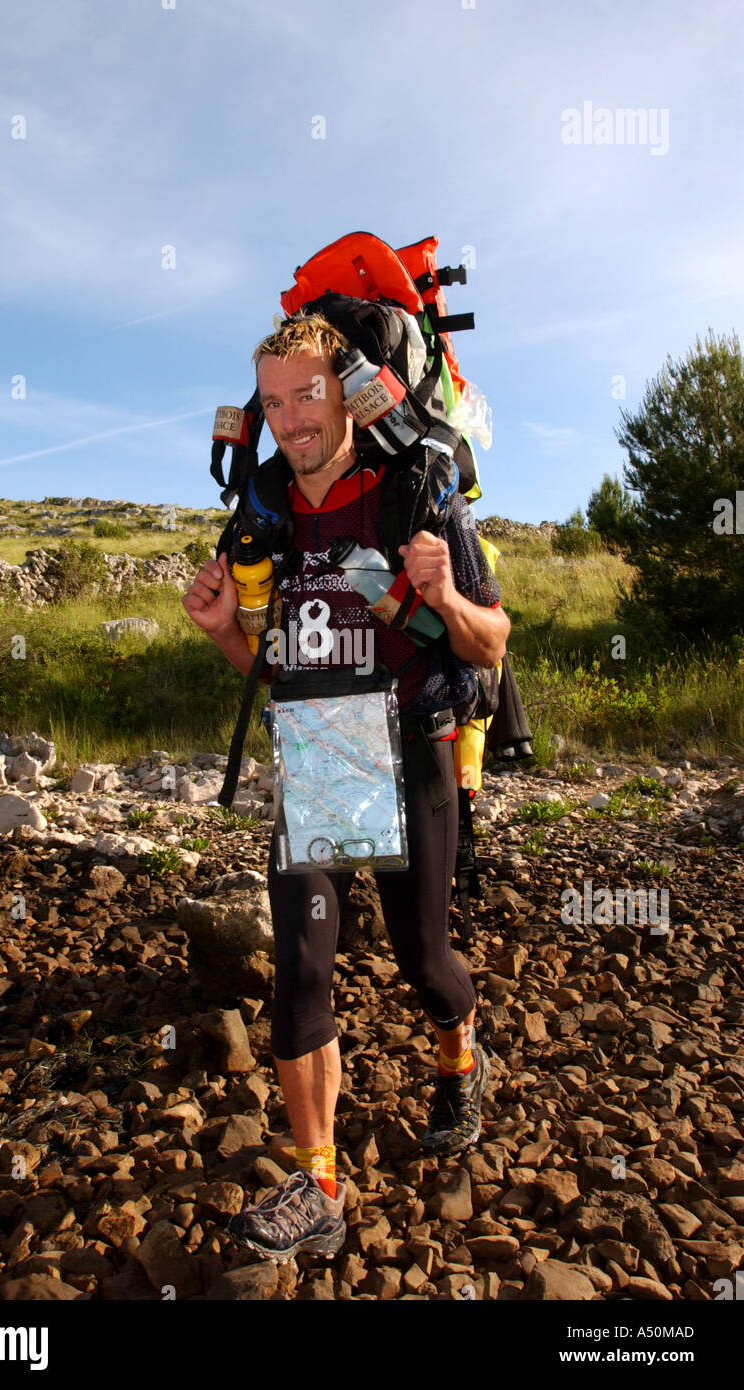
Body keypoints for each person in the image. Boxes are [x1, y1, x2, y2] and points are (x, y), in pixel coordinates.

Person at [182, 313, 510, 1263]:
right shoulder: (265, 517)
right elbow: (273, 669)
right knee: (304, 970)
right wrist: (220, 634)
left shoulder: (415, 492)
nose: (289, 419)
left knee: (423, 961)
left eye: (306, 394)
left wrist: (446, 599)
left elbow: (490, 646)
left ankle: (459, 1053)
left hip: (411, 752)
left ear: (349, 390)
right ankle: (317, 1180)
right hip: (318, 755)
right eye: (272, 400)